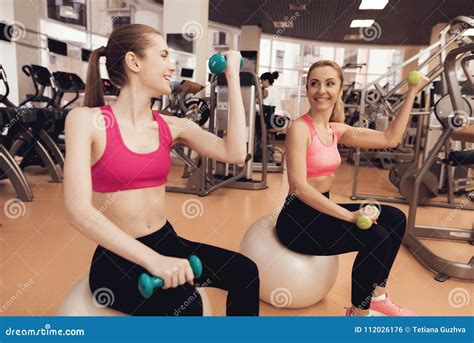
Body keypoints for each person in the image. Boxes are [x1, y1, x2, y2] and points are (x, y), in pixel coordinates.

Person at [63, 24, 259, 316]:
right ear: (134, 61)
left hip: (166, 239)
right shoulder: (86, 120)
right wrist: (153, 261)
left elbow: (235, 153)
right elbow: (77, 209)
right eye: (164, 55)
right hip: (117, 257)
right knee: (186, 307)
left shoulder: (171, 125)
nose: (172, 65)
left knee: (245, 272)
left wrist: (232, 78)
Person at [275, 60, 429, 316]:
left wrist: (412, 92)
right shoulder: (300, 128)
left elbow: (391, 139)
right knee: (375, 237)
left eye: (329, 83)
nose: (321, 90)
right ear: (307, 89)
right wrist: (350, 216)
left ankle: (377, 295)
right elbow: (298, 187)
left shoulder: (336, 130)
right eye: (314, 83)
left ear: (340, 91)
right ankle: (358, 313)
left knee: (394, 218)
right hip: (297, 221)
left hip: (321, 212)